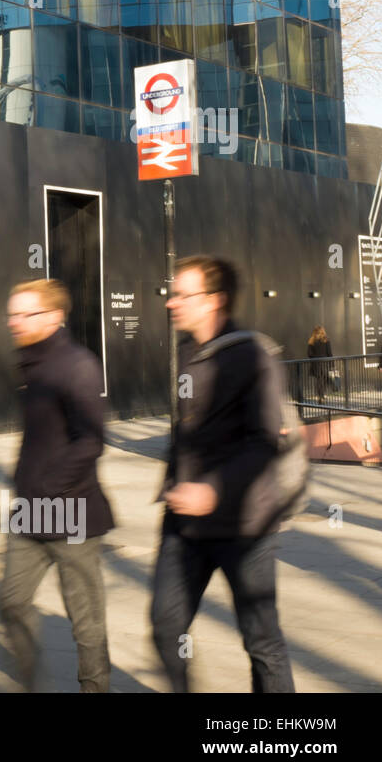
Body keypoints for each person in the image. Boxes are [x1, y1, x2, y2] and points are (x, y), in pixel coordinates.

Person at [151, 255, 295, 693]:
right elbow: (191, 429)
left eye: (181, 294)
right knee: (165, 626)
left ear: (215, 300)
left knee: (261, 641)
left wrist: (213, 490)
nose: (171, 303)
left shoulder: (253, 356)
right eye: (172, 293)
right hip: (185, 524)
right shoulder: (186, 352)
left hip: (245, 525)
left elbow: (263, 442)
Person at [0, 279, 114, 692]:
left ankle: (95, 688)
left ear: (53, 318)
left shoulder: (77, 365)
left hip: (73, 512)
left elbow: (91, 440)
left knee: (84, 619)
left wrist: (48, 486)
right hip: (30, 514)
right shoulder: (30, 365)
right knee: (12, 601)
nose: (13, 322)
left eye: (24, 314)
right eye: (12, 313)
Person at [306, 326, 332, 402]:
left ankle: (320, 396)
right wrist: (332, 365)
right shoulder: (326, 340)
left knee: (319, 380)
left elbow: (309, 354)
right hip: (325, 363)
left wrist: (315, 358)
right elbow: (329, 353)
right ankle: (322, 396)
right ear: (323, 331)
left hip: (316, 364)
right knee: (325, 379)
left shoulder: (312, 341)